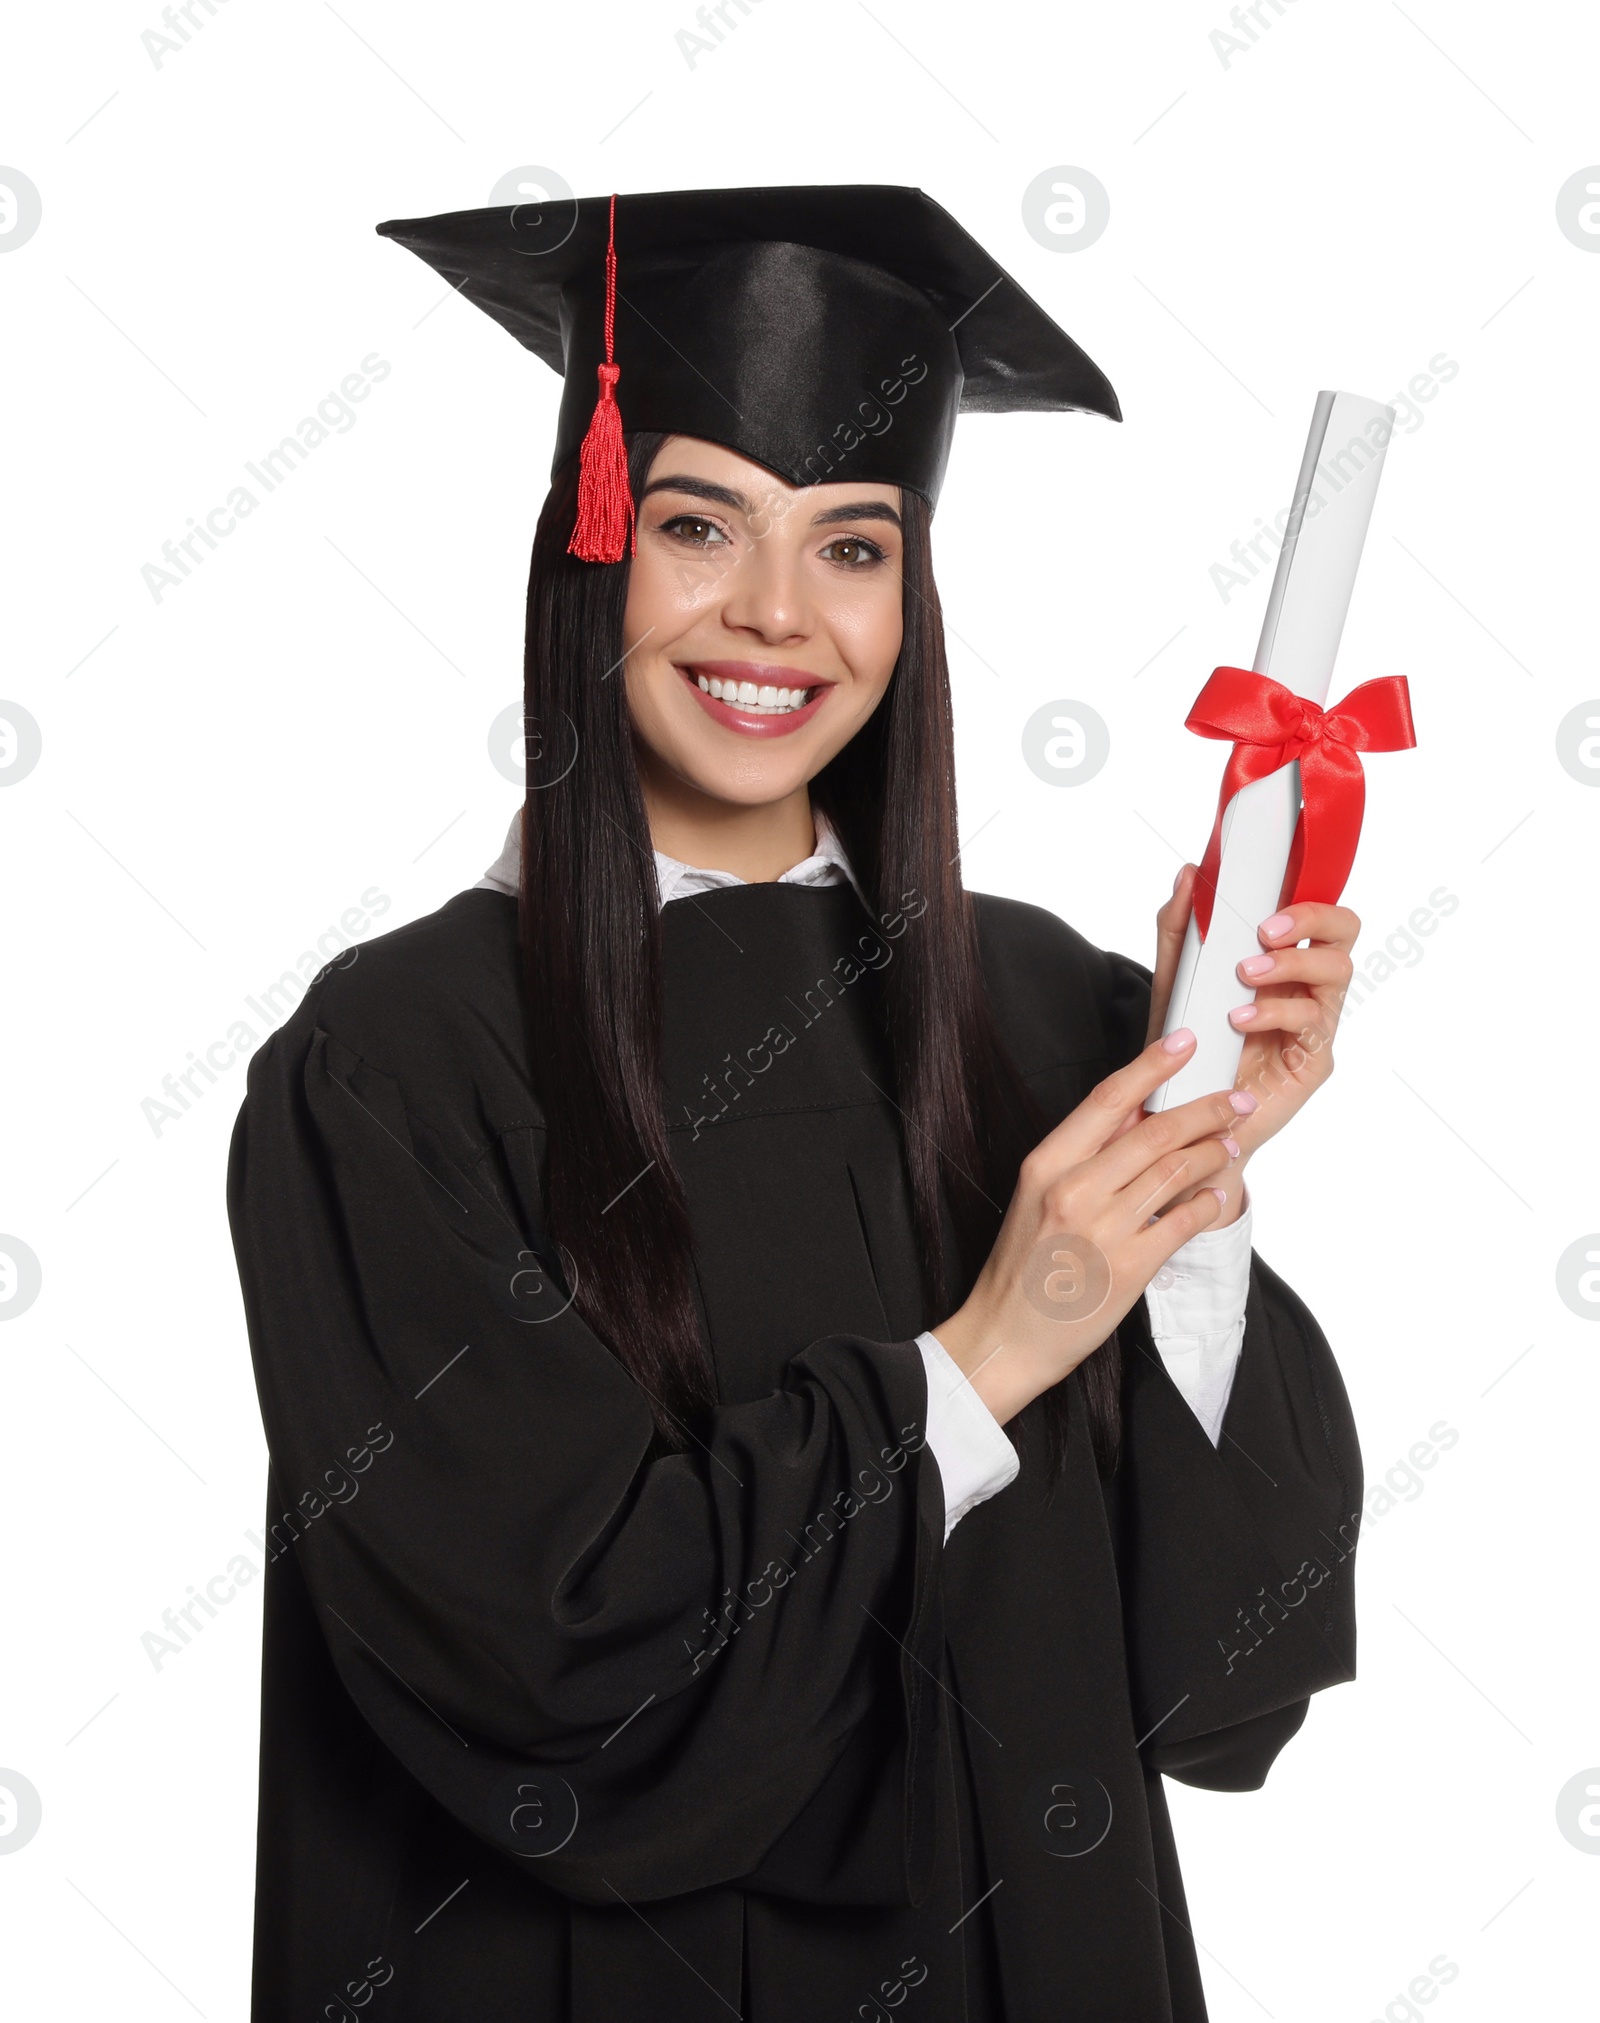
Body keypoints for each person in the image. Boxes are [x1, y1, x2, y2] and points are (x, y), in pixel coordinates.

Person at [227, 185, 1363, 2023]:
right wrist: (992, 1348)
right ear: (592, 543)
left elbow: (1227, 1690)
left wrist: (1196, 1182)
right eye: (700, 526)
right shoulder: (398, 1061)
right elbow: (550, 1671)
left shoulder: (1049, 1005)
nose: (776, 614)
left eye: (852, 546)